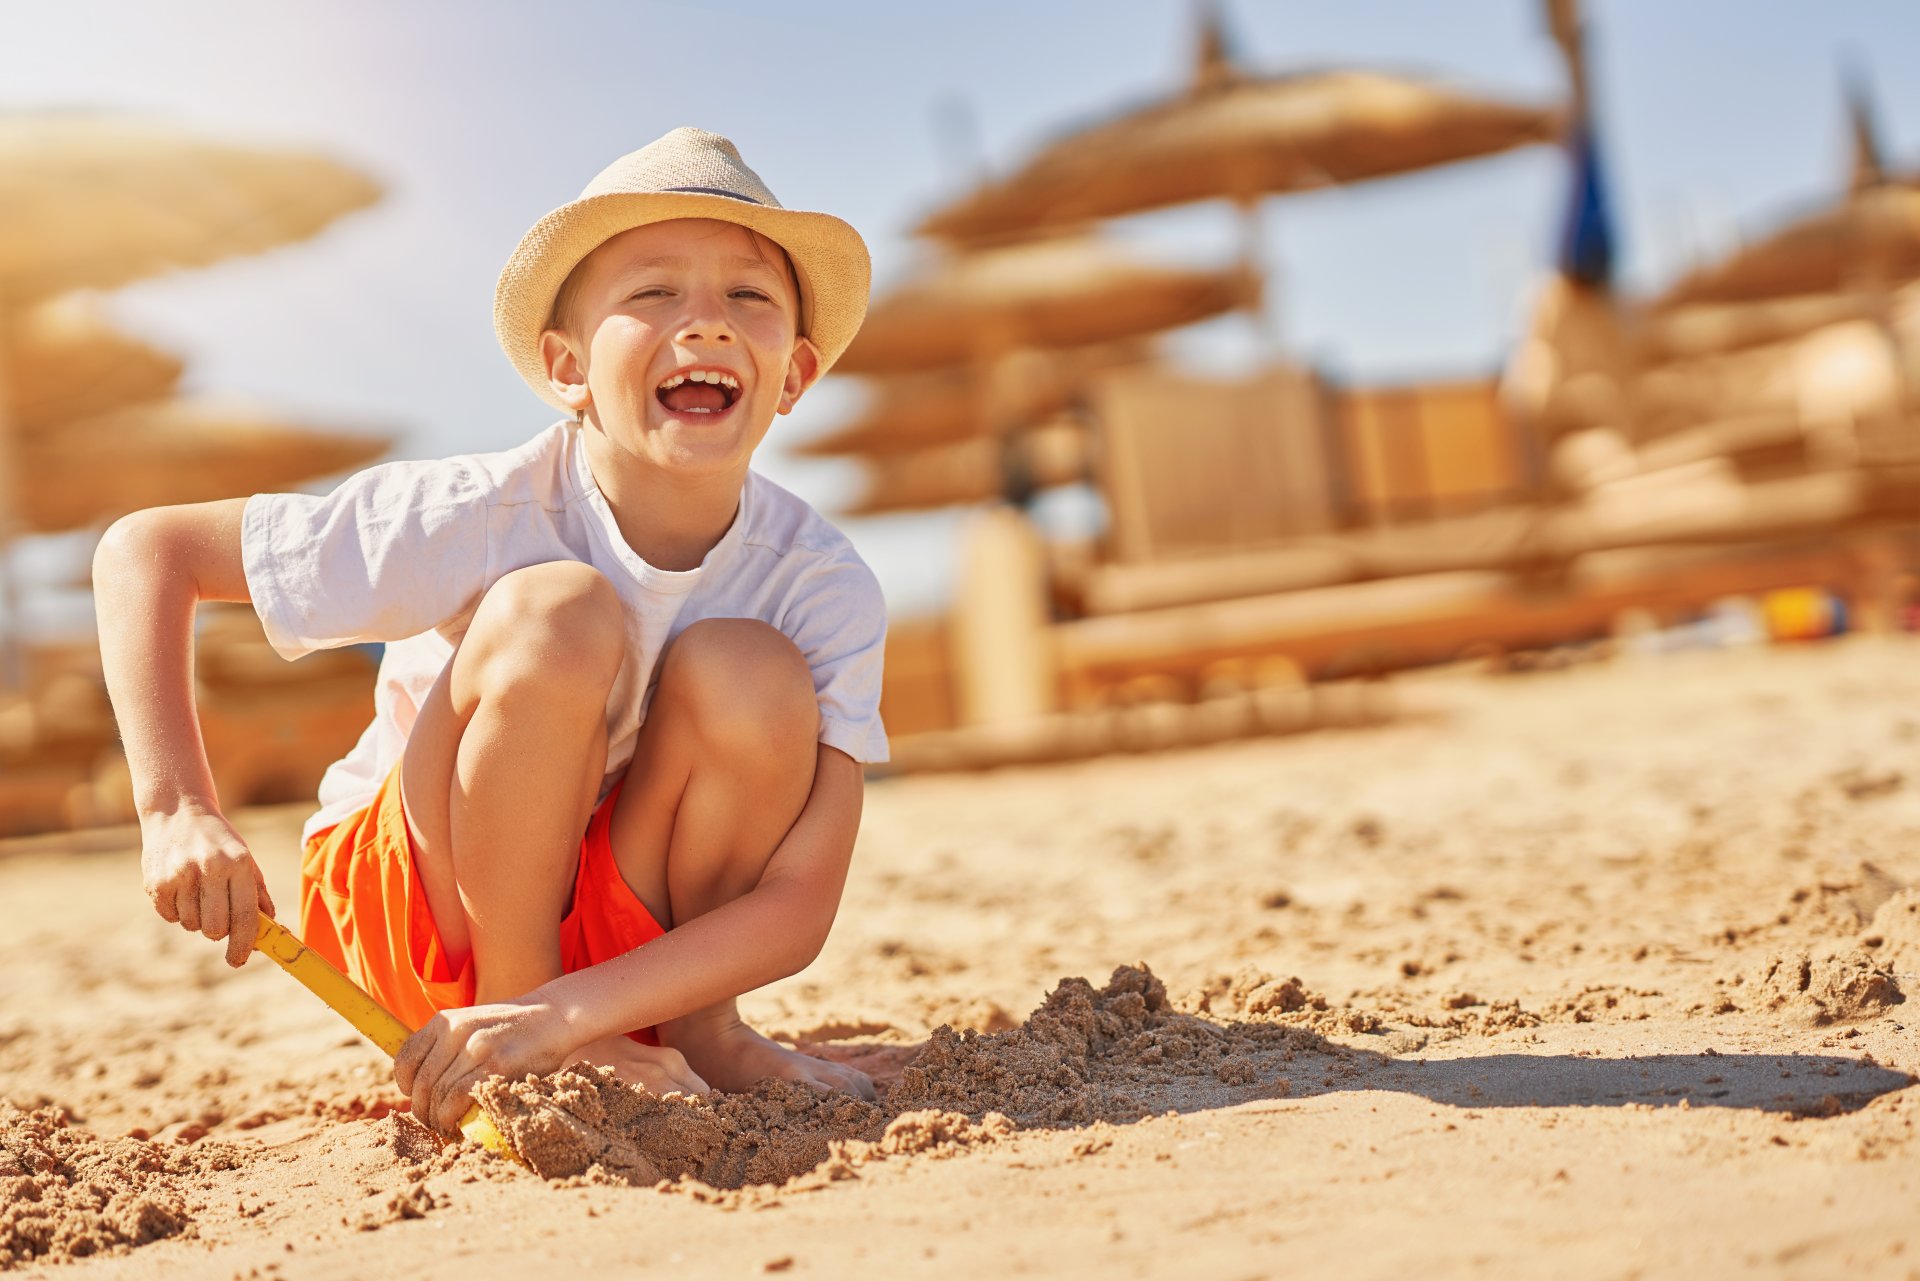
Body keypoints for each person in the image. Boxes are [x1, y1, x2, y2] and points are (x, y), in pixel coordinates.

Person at [93, 128, 888, 1136]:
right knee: (558, 611)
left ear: (795, 374)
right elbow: (145, 552)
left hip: (610, 947)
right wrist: (175, 809)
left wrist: (579, 1009)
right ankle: (514, 1028)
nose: (706, 324)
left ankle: (692, 1026)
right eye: (652, 293)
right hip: (428, 898)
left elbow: (799, 901)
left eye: (748, 297)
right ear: (565, 368)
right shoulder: (478, 512)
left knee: (754, 672)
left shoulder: (820, 583)